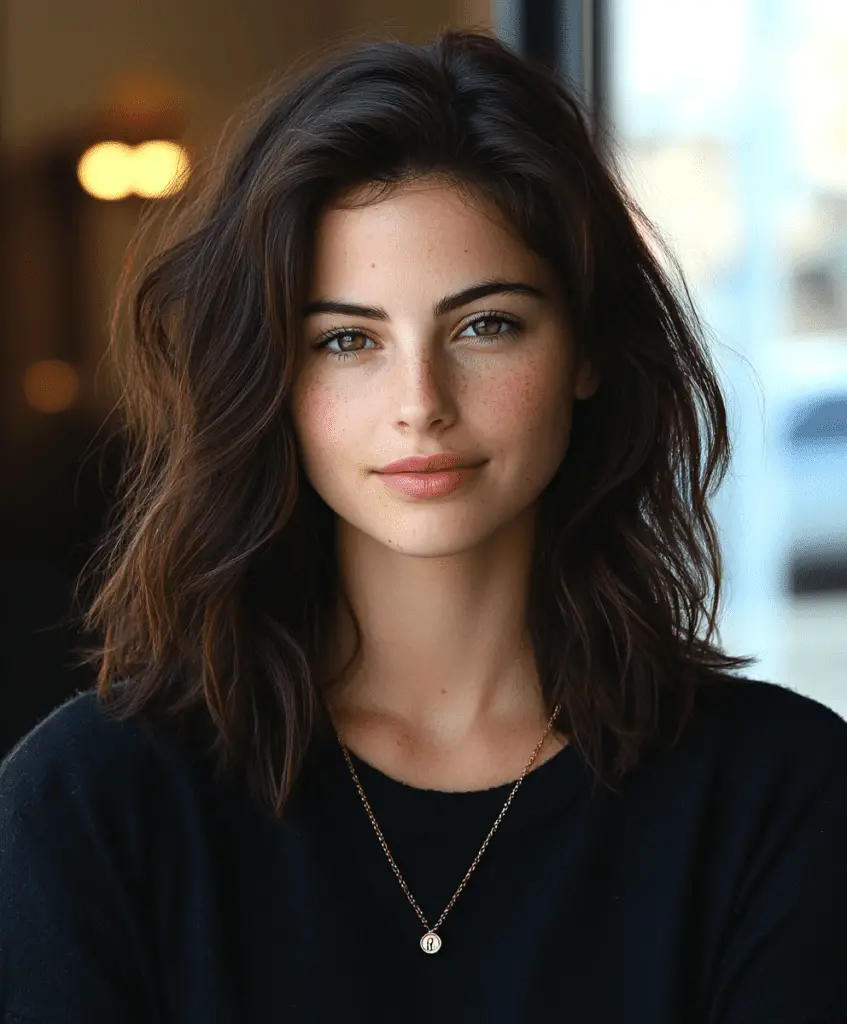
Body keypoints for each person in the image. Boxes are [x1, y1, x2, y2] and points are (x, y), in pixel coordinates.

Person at [1, 28, 845, 1024]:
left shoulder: (781, 794)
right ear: (272, 377)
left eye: (485, 324)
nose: (419, 401)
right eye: (347, 339)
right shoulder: (90, 804)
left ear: (586, 350)